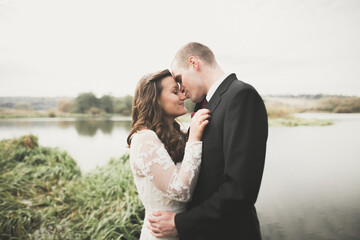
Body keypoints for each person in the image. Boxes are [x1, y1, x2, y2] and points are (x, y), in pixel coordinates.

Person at [147, 42, 268, 239]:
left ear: (194, 63)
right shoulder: (204, 105)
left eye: (179, 79)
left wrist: (180, 224)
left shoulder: (241, 96)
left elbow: (240, 190)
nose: (181, 89)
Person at [127, 69, 211, 240]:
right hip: (161, 235)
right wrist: (194, 138)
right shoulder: (144, 139)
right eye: (175, 91)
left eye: (181, 90)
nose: (183, 96)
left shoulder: (178, 131)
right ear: (155, 100)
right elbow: (181, 192)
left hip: (185, 232)